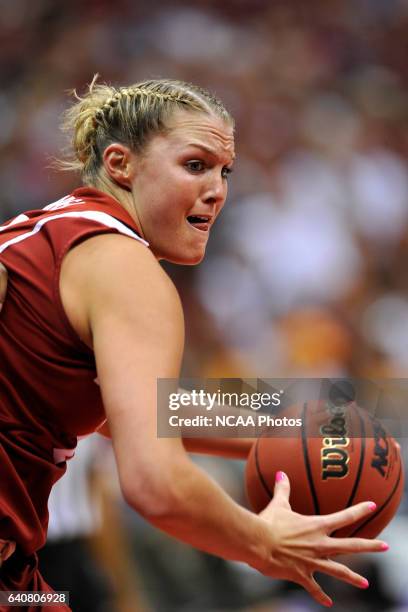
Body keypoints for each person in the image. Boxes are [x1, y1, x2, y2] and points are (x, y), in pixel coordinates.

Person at [0, 76, 388, 611]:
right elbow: (155, 482)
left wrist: (285, 423)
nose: (218, 190)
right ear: (120, 165)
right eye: (195, 165)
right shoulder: (125, 267)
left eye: (224, 172)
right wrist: (263, 542)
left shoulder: (48, 233)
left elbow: (139, 410)